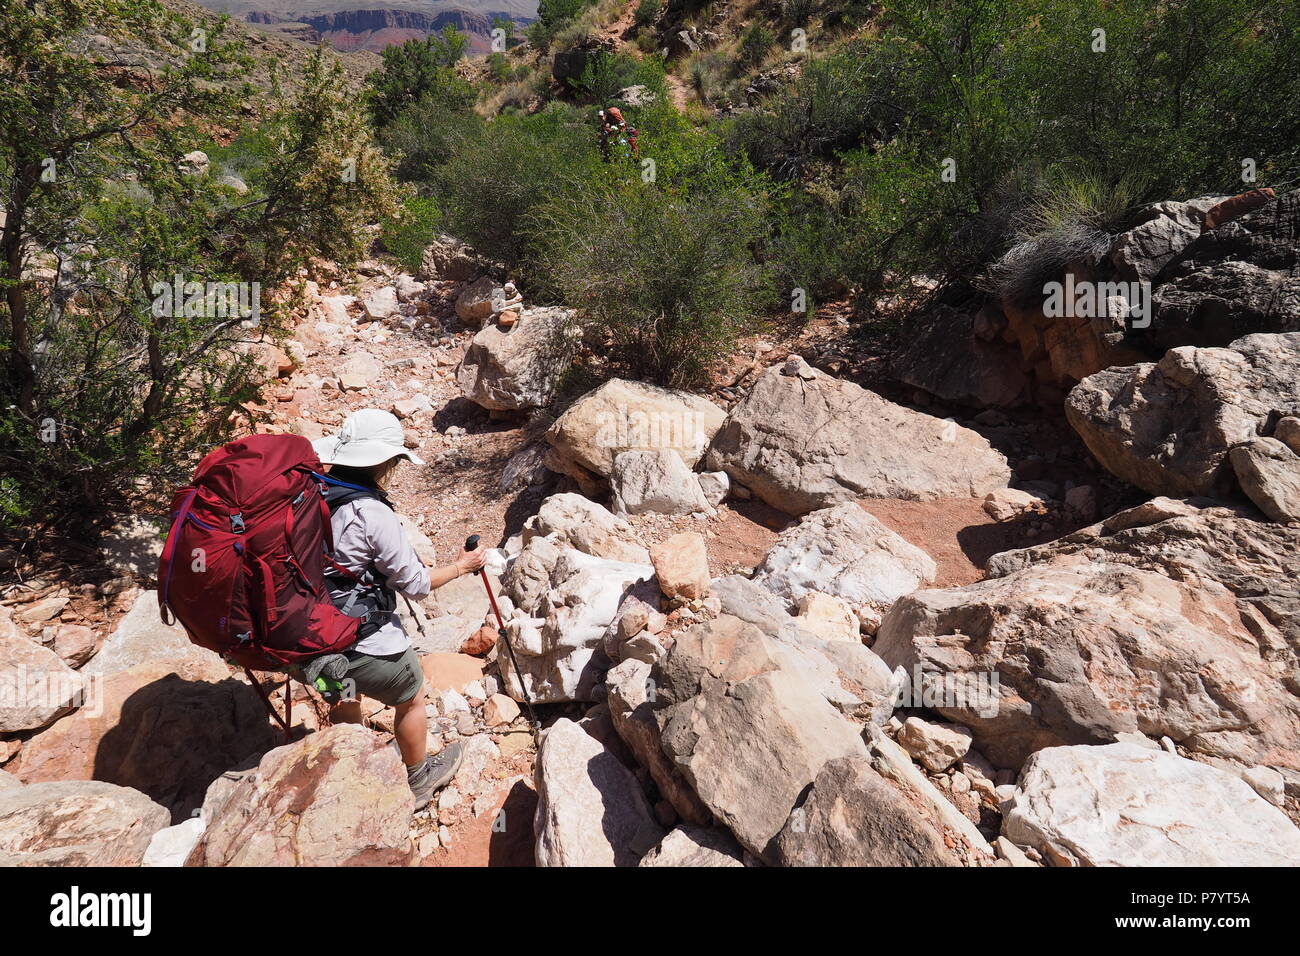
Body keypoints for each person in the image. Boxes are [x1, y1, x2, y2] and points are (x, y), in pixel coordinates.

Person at [308, 408, 487, 810]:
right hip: (360, 640)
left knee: (343, 695)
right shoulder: (371, 512)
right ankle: (419, 779)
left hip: (306, 636)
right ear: (385, 461)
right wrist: (463, 566)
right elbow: (417, 585)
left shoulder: (309, 492)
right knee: (410, 696)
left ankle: (351, 773)